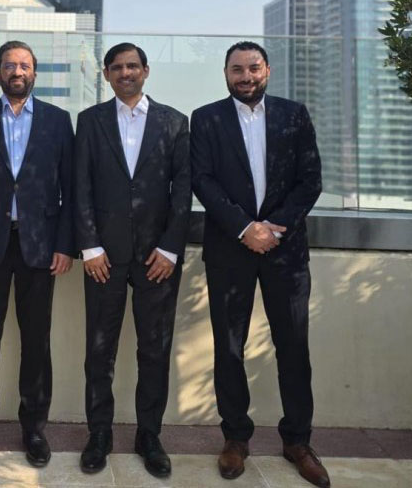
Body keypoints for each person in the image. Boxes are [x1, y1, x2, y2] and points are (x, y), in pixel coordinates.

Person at [190, 41, 328, 488]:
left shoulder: (294, 114)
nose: (245, 76)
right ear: (225, 74)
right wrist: (245, 228)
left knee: (294, 346)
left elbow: (310, 180)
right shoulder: (206, 118)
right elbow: (202, 181)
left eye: (253, 68)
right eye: (237, 69)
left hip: (286, 253)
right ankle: (235, 438)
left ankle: (298, 442)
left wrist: (274, 229)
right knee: (230, 347)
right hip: (230, 250)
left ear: (267, 70)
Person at [0, 40, 75, 468]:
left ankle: (34, 427)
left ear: (34, 73)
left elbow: (71, 189)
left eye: (24, 65)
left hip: (41, 247)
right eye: (9, 65)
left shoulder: (58, 121)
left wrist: (64, 244)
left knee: (36, 341)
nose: (17, 72)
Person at [74, 42, 191, 478]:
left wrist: (170, 248)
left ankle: (149, 436)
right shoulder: (89, 121)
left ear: (146, 70)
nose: (126, 73)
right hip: (103, 257)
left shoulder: (175, 122)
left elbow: (183, 190)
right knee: (98, 351)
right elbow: (80, 185)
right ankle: (99, 434)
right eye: (117, 67)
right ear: (106, 74)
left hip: (156, 258)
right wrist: (90, 246)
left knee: (154, 350)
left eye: (133, 66)